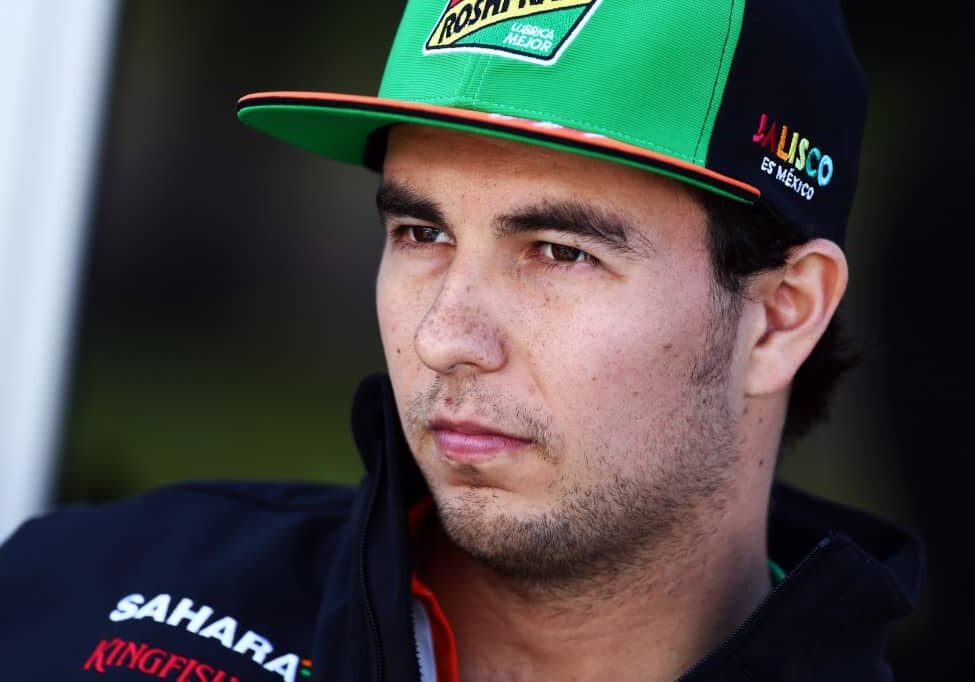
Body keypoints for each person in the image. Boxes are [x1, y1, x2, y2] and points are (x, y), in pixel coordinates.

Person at [0, 1, 923, 681]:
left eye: (558, 251)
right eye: (420, 234)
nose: (446, 336)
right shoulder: (87, 592)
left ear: (782, 314)